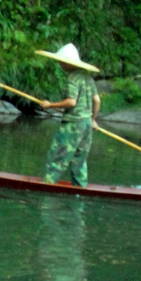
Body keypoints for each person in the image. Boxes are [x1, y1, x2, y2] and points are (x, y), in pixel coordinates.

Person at [36, 43, 101, 188]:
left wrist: (50, 105)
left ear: (67, 62)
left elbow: (71, 102)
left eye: (61, 61)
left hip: (73, 125)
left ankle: (47, 185)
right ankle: (80, 187)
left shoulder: (73, 78)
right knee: (79, 160)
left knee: (57, 157)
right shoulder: (87, 78)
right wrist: (93, 120)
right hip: (86, 125)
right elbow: (97, 100)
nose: (60, 64)